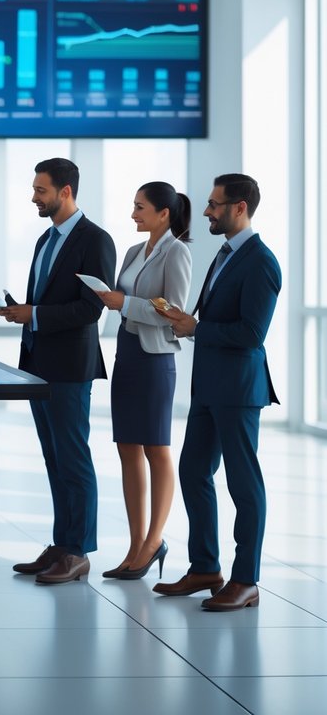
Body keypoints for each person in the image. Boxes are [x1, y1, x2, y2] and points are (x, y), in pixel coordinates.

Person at [154, 173, 281, 611]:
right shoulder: (224, 255)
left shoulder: (261, 262)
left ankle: (246, 580)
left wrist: (199, 327)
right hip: (208, 386)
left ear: (239, 207)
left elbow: (252, 333)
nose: (206, 211)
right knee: (193, 472)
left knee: (244, 485)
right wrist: (184, 320)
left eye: (214, 204)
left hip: (239, 390)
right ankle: (206, 567)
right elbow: (213, 318)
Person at [0, 157, 115, 585]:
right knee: (53, 457)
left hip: (69, 365)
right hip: (39, 363)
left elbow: (91, 307)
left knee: (73, 456)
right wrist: (23, 314)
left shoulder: (95, 240)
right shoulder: (45, 240)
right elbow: (43, 302)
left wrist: (36, 314)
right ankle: (62, 543)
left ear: (65, 191)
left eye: (41, 190)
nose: (34, 197)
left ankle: (79, 549)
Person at [93, 182, 192, 580]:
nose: (133, 214)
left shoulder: (177, 251)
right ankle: (135, 545)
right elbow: (126, 300)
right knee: (127, 448)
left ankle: (154, 541)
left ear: (163, 213)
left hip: (155, 358)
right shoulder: (135, 251)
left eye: (140, 207)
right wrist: (110, 298)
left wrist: (126, 303)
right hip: (127, 352)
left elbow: (176, 312)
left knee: (156, 448)